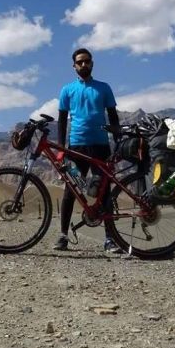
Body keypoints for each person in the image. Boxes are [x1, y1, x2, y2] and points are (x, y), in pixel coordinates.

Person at [53, 48, 122, 253]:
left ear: (92, 64)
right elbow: (62, 120)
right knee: (71, 190)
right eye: (80, 62)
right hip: (77, 147)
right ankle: (63, 236)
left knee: (105, 192)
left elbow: (113, 116)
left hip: (101, 146)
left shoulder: (104, 88)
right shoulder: (67, 90)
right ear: (74, 66)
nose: (84, 65)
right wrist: (61, 148)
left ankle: (110, 239)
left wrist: (117, 142)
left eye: (87, 61)